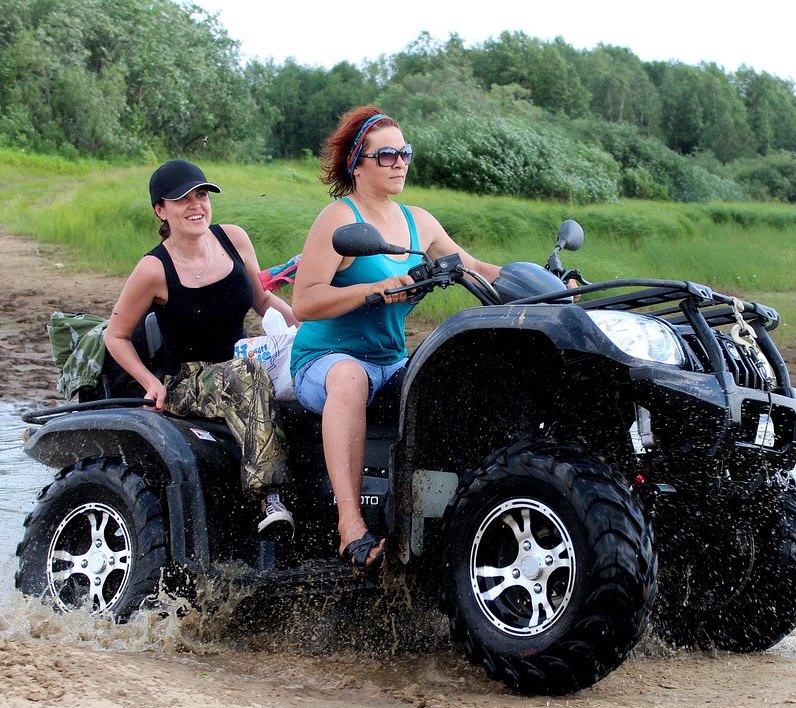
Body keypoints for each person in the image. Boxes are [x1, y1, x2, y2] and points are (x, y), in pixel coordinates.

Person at [291, 107, 501, 569]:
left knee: (457, 369)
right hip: (326, 361)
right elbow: (304, 302)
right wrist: (371, 289)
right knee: (349, 378)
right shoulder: (338, 219)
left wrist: (545, 282)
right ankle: (350, 526)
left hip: (390, 360)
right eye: (386, 154)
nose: (399, 162)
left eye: (404, 152)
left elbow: (478, 270)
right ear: (357, 164)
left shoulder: (418, 222)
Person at [104, 159, 299, 535]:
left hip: (245, 363)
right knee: (245, 375)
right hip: (186, 379)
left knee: (303, 377)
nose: (196, 205)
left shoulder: (234, 238)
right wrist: (150, 382)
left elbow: (262, 301)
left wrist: (303, 327)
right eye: (182, 200)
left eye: (202, 195)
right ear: (161, 210)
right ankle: (269, 496)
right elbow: (116, 335)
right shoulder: (154, 269)